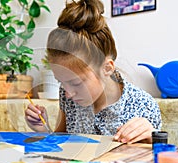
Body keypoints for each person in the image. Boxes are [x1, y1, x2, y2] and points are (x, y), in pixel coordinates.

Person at [25, 0, 161, 144]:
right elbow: (61, 145)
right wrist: (43, 129)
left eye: (76, 83)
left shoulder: (143, 106)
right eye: (61, 82)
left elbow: (153, 161)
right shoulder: (68, 96)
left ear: (107, 68)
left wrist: (152, 139)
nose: (68, 93)